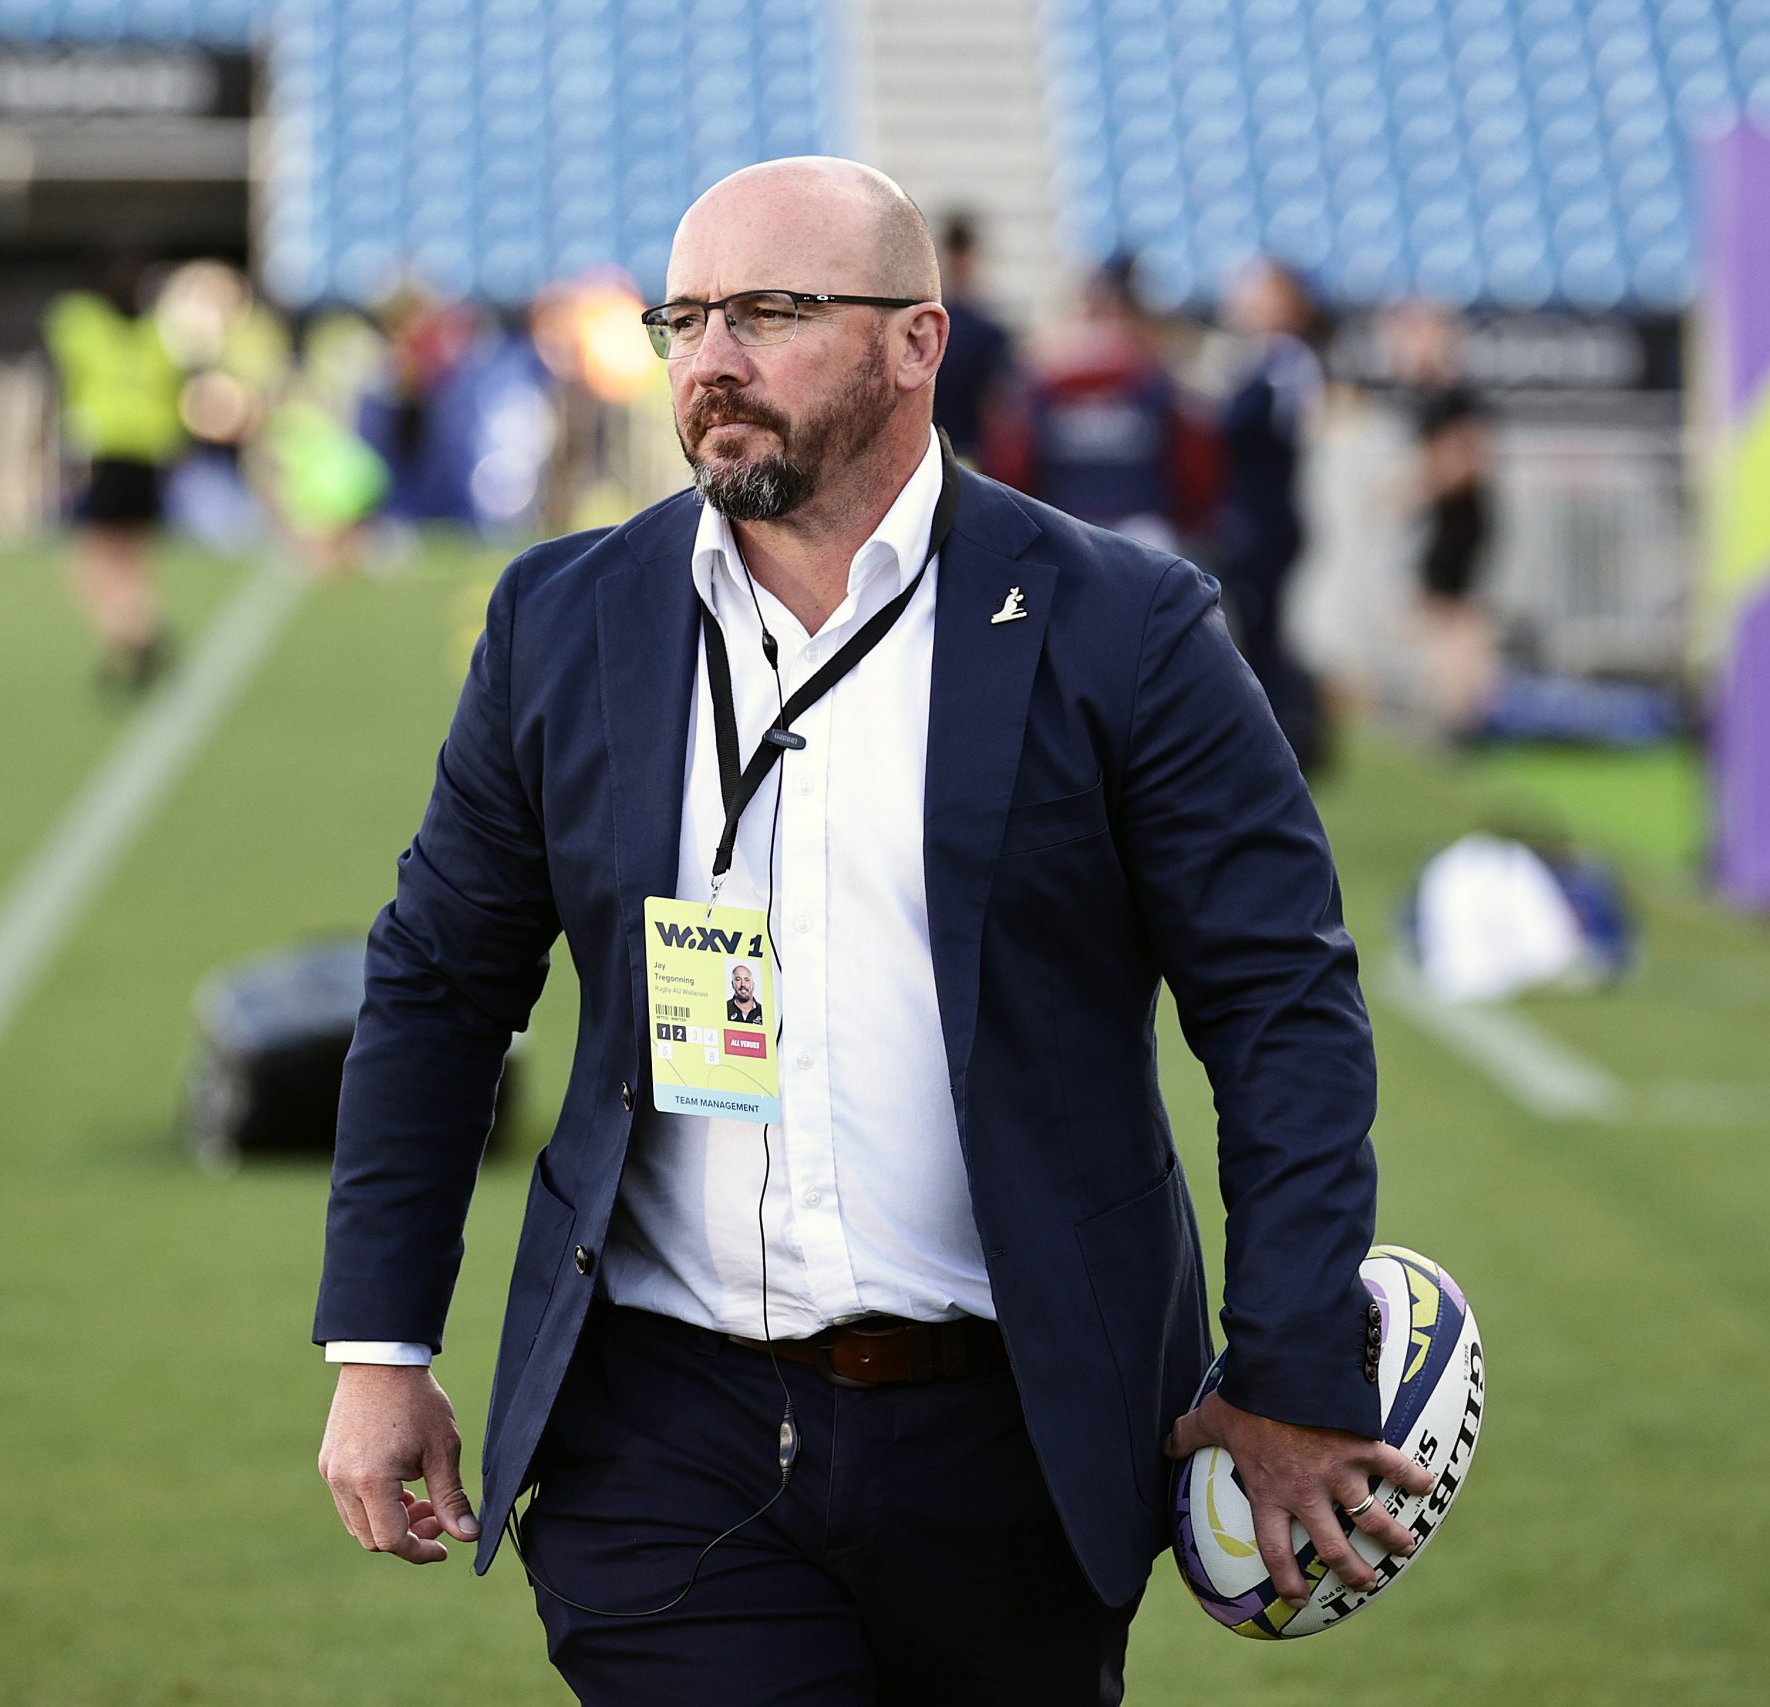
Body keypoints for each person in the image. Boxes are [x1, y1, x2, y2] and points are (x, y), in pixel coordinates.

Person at [314, 157, 1427, 1706]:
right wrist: (382, 1342)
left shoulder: (1130, 630)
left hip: (1020, 1432)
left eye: (771, 311)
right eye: (683, 318)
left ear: (920, 340)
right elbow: (438, 988)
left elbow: (1280, 1007)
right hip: (667, 1429)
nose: (712, 359)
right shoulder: (563, 621)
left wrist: (1296, 1362)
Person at [983, 255, 1215, 552]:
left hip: (1097, 522)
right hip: (1103, 524)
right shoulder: (1152, 374)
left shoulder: (1151, 378)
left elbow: (1011, 466)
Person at [44, 256, 187, 688]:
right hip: (148, 456)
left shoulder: (82, 327)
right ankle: (134, 634)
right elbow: (173, 395)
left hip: (104, 452)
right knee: (132, 557)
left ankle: (131, 632)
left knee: (91, 562)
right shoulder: (157, 337)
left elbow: (61, 383)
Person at [1213, 258, 1329, 775]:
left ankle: (1282, 742)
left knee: (1264, 629)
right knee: (1256, 627)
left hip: (1267, 514)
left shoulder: (1286, 360)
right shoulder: (1260, 358)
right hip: (1254, 512)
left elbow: (1261, 428)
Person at [1388, 302, 1497, 731]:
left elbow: (1467, 457)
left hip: (1457, 524)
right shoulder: (1428, 398)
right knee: (1439, 616)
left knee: (1452, 620)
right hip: (1446, 524)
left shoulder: (1451, 397)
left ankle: (1464, 714)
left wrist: (1415, 490)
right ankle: (1459, 710)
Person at [929, 211, 1015, 462]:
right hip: (938, 453)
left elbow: (996, 406)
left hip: (965, 454)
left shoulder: (989, 333)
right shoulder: (987, 332)